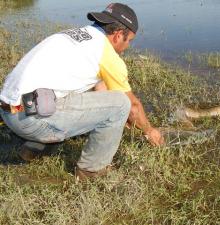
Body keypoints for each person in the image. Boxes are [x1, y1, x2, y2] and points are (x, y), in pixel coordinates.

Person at [0, 3, 164, 180]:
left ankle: (36, 147)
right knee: (121, 104)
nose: (128, 46)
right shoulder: (107, 55)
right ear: (118, 35)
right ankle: (91, 171)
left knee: (99, 102)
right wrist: (149, 129)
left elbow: (101, 89)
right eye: (129, 40)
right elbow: (132, 106)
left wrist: (109, 118)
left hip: (9, 111)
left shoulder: (77, 36)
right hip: (29, 120)